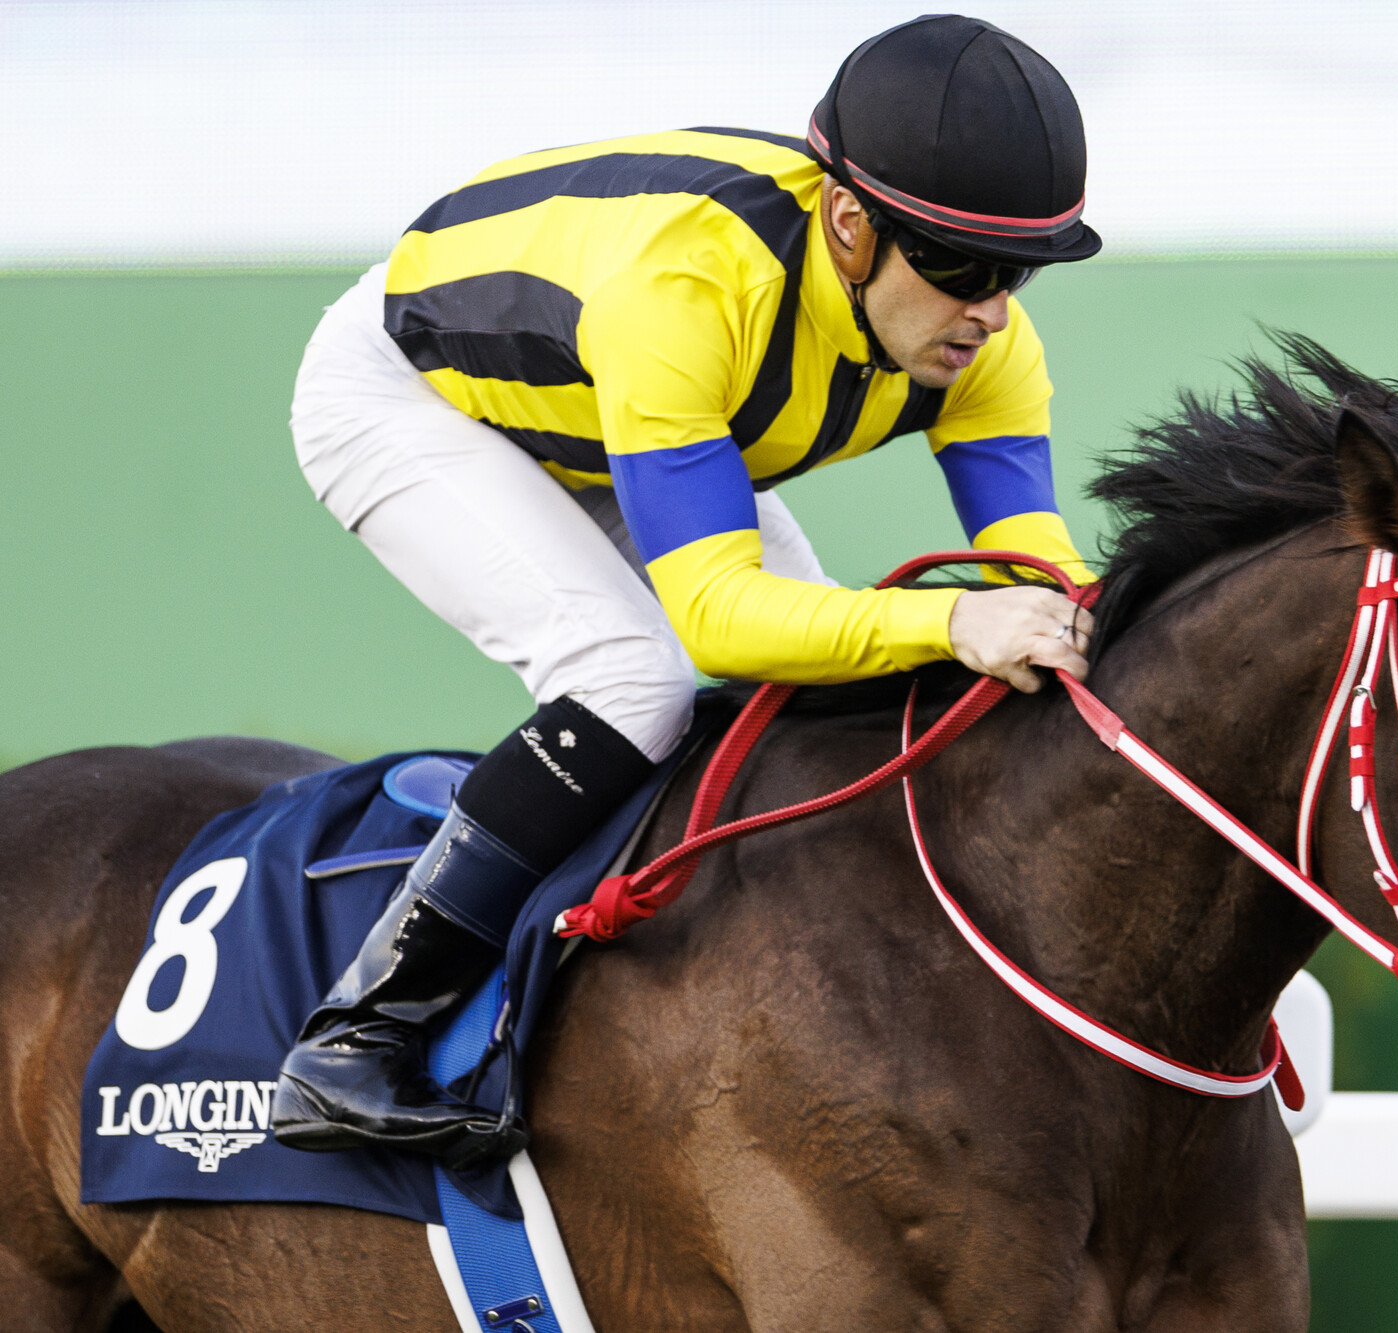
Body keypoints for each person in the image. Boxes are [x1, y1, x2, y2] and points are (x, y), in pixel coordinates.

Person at [274, 14, 1102, 1168]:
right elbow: (721, 620)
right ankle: (357, 1034)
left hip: (615, 406)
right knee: (633, 678)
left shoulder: (985, 347)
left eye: (1017, 272)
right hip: (418, 393)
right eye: (958, 268)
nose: (993, 311)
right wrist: (955, 620)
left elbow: (1037, 572)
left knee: (820, 692)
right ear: (850, 226)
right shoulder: (689, 294)